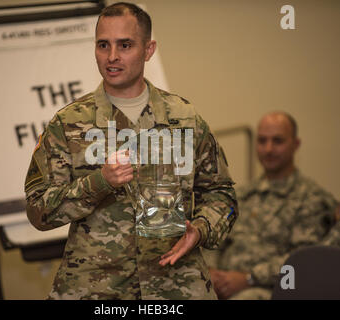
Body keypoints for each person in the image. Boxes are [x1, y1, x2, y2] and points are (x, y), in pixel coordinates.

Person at [24, 2, 238, 300]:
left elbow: (222, 196)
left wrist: (200, 229)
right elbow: (38, 210)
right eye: (103, 45)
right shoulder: (68, 124)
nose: (112, 57)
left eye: (125, 45)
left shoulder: (185, 119)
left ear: (148, 50)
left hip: (175, 287)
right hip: (96, 290)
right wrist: (99, 183)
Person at [209, 111, 339, 300]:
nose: (268, 149)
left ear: (296, 145)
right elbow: (215, 241)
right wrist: (212, 273)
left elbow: (301, 262)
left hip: (270, 290)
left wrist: (249, 278)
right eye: (262, 141)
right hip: (221, 287)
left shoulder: (311, 198)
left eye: (278, 141)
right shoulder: (241, 195)